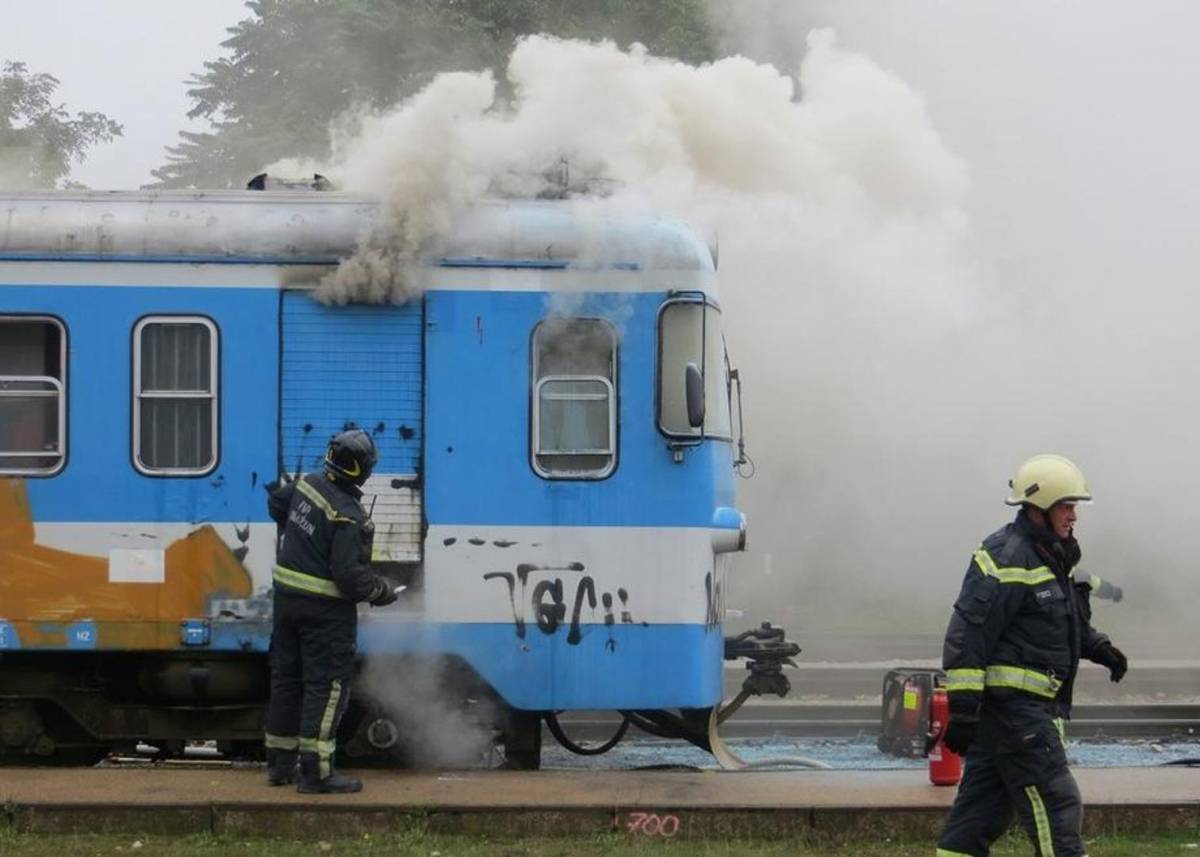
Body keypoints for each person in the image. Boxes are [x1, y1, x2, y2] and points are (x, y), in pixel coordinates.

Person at [936, 454, 1128, 857]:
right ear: (1039, 507)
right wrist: (964, 709)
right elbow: (970, 634)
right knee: (1056, 808)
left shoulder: (1049, 554)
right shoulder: (1007, 556)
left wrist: (1099, 648)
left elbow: (1057, 620)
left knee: (973, 823)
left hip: (1007, 720)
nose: (1074, 515)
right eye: (1067, 505)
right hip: (1016, 716)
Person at [263, 429, 398, 794]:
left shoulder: (307, 486)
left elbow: (276, 505)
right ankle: (316, 774)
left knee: (287, 683)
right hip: (325, 614)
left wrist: (303, 539)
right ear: (363, 471)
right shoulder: (348, 516)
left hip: (286, 602)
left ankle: (279, 766)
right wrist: (382, 592)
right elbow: (350, 579)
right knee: (327, 689)